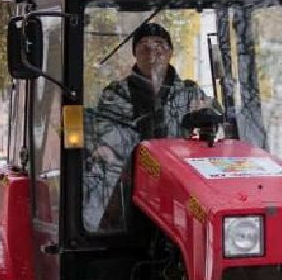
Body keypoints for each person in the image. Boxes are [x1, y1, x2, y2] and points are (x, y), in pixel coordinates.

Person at [85, 21, 208, 231]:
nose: (152, 49)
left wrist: (206, 116)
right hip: (128, 186)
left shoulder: (191, 93)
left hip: (179, 184)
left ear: (170, 52)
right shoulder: (115, 94)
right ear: (135, 54)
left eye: (160, 43)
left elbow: (216, 128)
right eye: (144, 44)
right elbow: (107, 138)